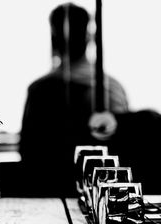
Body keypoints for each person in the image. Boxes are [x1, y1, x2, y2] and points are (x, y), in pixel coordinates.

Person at [19, 3, 129, 197]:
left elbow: (29, 153)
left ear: (53, 38)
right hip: (102, 194)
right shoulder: (111, 87)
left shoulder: (40, 90)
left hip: (48, 193)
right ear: (89, 37)